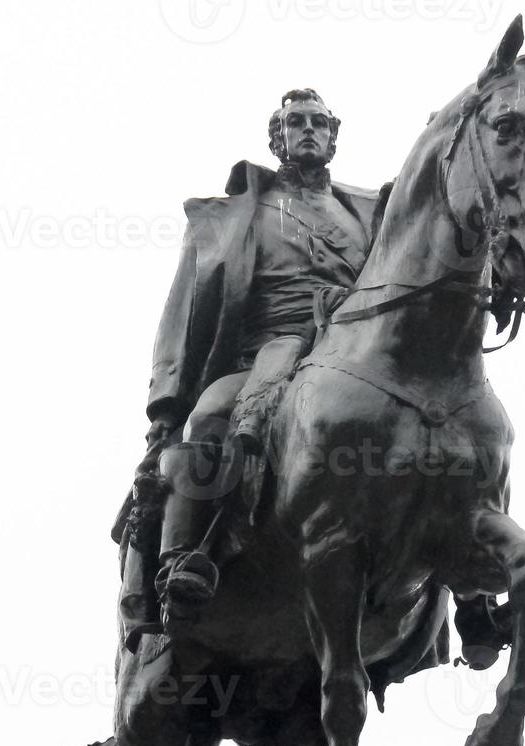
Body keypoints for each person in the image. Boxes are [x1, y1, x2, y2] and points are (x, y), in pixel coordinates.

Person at [118, 88, 382, 630]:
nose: (307, 130)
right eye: (295, 123)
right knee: (211, 415)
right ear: (277, 138)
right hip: (263, 349)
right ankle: (183, 556)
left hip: (357, 349)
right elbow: (182, 318)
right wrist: (165, 406)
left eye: (318, 123)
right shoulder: (229, 217)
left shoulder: (371, 212)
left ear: (334, 135)